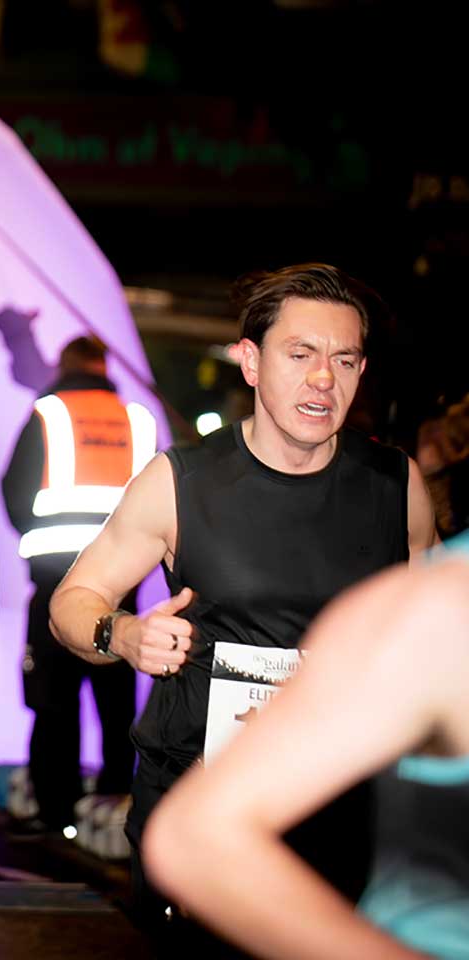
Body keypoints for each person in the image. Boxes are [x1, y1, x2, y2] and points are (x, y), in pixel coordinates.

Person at [47, 263, 438, 948]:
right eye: (301, 355)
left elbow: (435, 643)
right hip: (200, 808)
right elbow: (72, 602)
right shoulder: (180, 481)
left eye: (344, 360)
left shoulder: (394, 485)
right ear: (251, 363)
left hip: (342, 808)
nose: (324, 379)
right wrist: (123, 634)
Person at [143, 531, 469, 960]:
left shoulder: (402, 497)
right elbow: (193, 838)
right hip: (217, 745)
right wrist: (121, 632)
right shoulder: (443, 605)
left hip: (348, 798)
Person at [1, 335, 154, 839]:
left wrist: (41, 541)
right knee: (116, 702)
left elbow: (15, 491)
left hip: (56, 581)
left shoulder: (50, 414)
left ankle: (55, 809)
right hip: (120, 585)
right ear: (104, 366)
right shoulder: (136, 421)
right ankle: (112, 808)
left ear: (65, 365)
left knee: (54, 698)